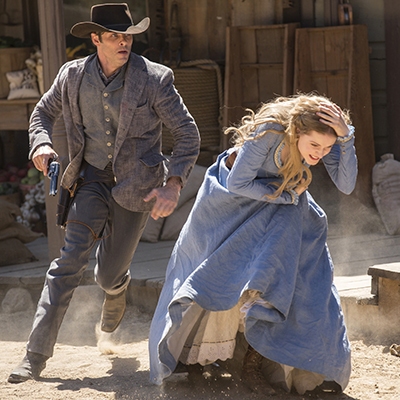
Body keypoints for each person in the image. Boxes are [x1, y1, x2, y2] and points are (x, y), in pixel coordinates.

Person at [8, 3, 200, 383]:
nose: (123, 43)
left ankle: (117, 289)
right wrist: (41, 145)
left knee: (108, 275)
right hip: (90, 179)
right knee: (68, 261)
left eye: (127, 36)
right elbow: (41, 115)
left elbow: (188, 134)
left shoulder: (155, 79)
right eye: (114, 36)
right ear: (95, 39)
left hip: (138, 188)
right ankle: (34, 356)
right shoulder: (72, 75)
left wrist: (173, 183)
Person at [148, 93, 357, 395]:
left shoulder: (328, 139)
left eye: (326, 148)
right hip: (229, 205)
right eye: (314, 146)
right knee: (218, 275)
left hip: (278, 204)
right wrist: (285, 194)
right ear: (297, 132)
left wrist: (345, 138)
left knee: (294, 270)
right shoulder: (270, 131)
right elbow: (238, 184)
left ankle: (256, 360)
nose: (320, 154)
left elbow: (347, 185)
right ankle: (195, 360)